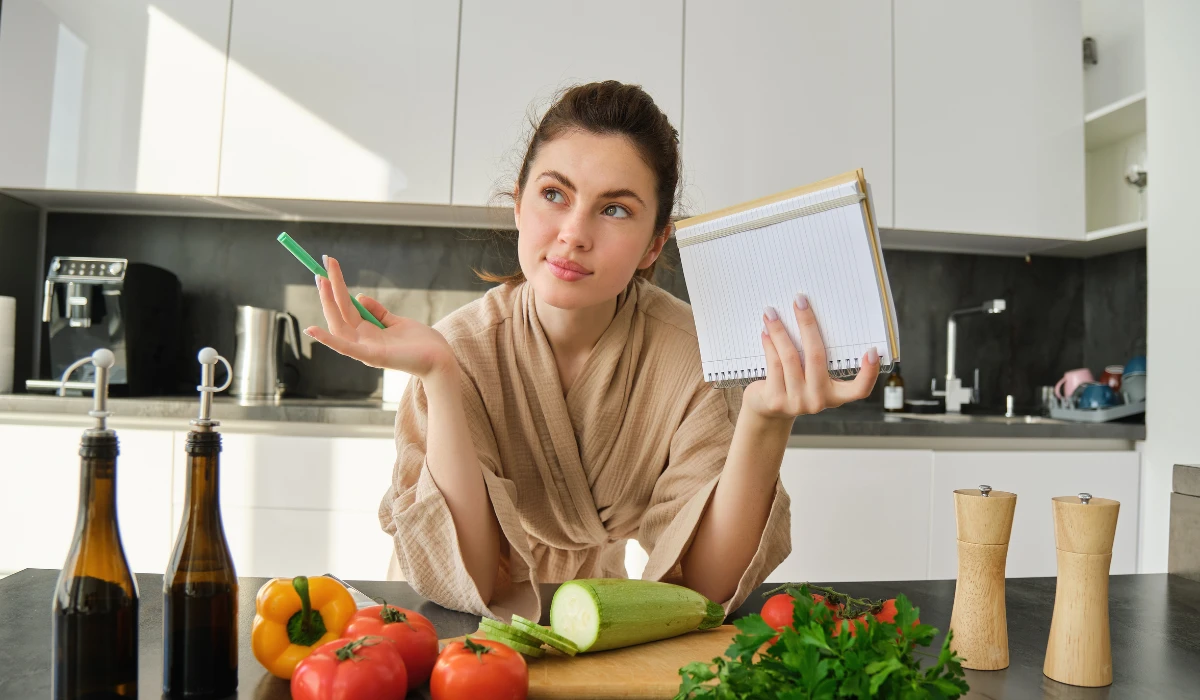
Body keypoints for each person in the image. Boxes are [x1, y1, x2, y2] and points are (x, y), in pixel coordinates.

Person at [305, 81, 880, 620]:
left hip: (594, 607)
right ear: (518, 205)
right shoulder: (457, 348)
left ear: (656, 242)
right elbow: (474, 580)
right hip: (450, 625)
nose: (574, 233)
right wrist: (438, 374)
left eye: (615, 209)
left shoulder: (692, 358)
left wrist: (764, 421)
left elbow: (704, 588)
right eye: (554, 194)